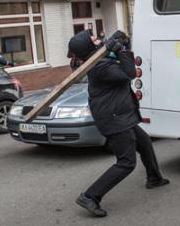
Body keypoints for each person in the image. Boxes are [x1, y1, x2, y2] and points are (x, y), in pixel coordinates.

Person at [68, 30, 169, 218]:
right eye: (93, 39)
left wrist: (120, 47)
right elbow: (128, 73)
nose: (98, 39)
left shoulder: (98, 59)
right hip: (114, 118)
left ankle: (154, 178)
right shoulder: (99, 67)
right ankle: (90, 196)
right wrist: (123, 49)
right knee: (126, 162)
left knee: (144, 142)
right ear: (89, 47)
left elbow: (113, 58)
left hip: (119, 114)